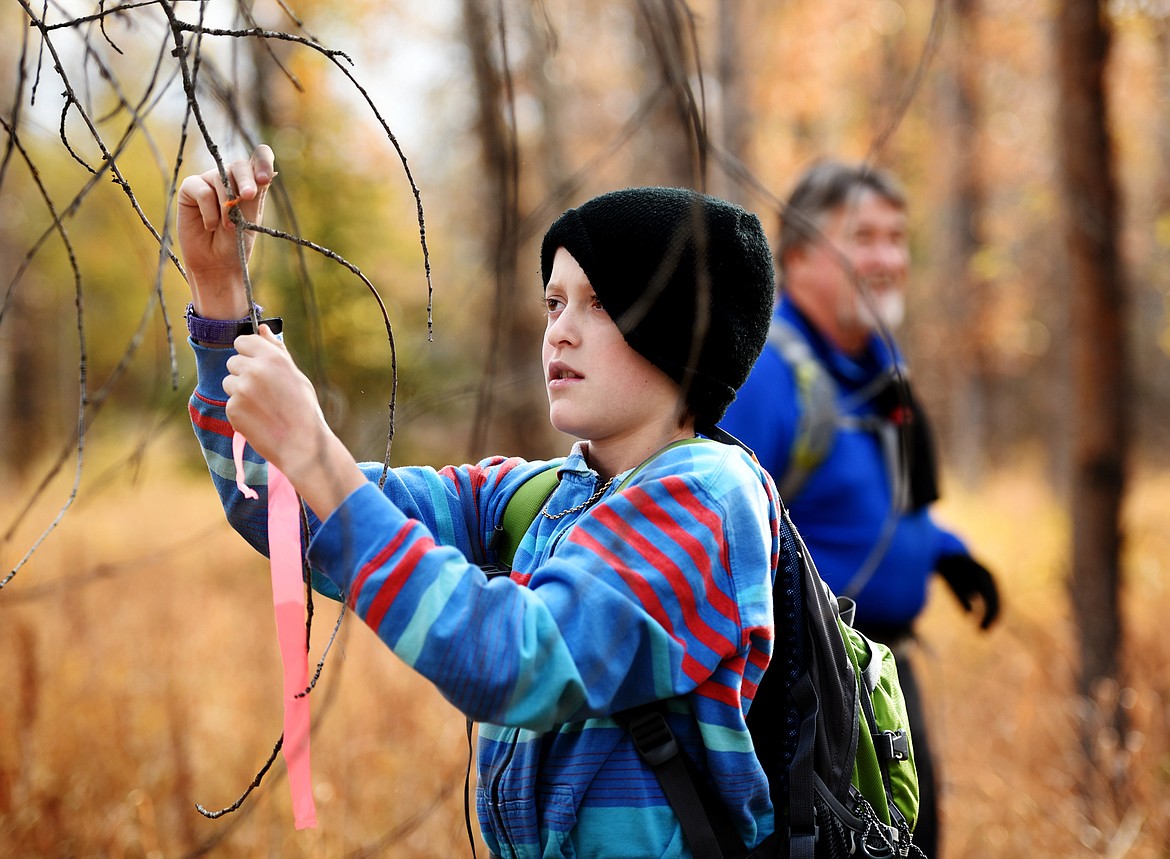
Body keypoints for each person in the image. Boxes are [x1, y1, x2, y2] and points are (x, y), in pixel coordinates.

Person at [177, 145, 787, 858]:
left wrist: (319, 453)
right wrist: (220, 296)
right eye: (555, 302)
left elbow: (516, 662)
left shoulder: (708, 498)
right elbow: (287, 513)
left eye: (600, 302)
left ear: (683, 330)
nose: (559, 328)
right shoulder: (535, 499)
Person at [720, 158, 1001, 857]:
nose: (887, 258)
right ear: (799, 254)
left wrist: (947, 551)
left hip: (885, 681)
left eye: (896, 237)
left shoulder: (876, 364)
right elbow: (719, 530)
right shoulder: (768, 374)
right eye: (863, 236)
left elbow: (881, 505)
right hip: (815, 694)